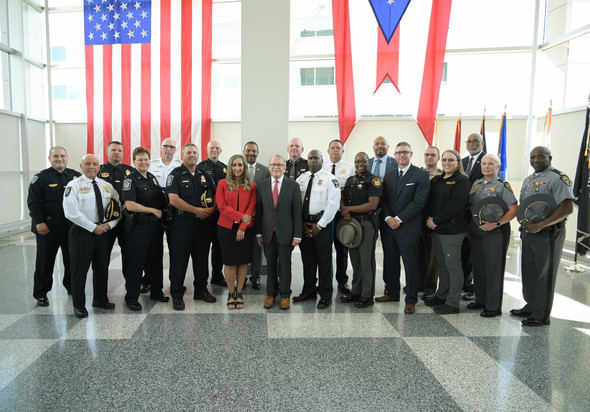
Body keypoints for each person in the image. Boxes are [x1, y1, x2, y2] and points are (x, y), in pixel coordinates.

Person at [511, 146, 574, 326]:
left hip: (548, 233)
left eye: (540, 157)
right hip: (530, 232)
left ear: (550, 158)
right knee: (529, 271)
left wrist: (541, 224)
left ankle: (541, 315)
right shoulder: (529, 179)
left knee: (544, 274)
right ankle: (531, 306)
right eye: (533, 157)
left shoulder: (558, 178)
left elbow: (567, 207)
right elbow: (527, 207)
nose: (536, 160)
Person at [63, 154, 121, 318]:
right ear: (81, 166)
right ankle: (79, 305)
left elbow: (118, 209)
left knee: (102, 267)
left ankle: (100, 299)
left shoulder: (106, 186)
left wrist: (110, 225)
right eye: (87, 163)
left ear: (99, 167)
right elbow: (71, 212)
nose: (91, 167)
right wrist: (92, 227)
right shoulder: (73, 186)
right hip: (82, 232)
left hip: (103, 231)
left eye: (95, 164)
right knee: (79, 270)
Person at [376, 142, 430, 314]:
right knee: (390, 261)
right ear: (395, 154)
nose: (401, 156)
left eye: (405, 152)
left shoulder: (421, 175)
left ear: (411, 154)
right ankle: (391, 292)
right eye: (398, 153)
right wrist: (387, 218)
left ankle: (411, 299)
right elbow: (383, 201)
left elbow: (419, 202)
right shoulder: (390, 175)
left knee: (410, 263)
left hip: (409, 228)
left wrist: (398, 219)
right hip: (389, 228)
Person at [27, 146, 81, 306]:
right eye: (56, 156)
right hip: (48, 228)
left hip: (70, 228)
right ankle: (41, 293)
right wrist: (39, 222)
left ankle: (71, 287)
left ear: (67, 157)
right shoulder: (41, 178)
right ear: (49, 158)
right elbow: (33, 202)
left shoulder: (75, 177)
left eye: (62, 156)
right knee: (45, 261)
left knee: (72, 260)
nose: (59, 159)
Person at [167, 143, 218, 310]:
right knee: (179, 260)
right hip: (182, 224)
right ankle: (176, 294)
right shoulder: (175, 174)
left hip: (203, 225)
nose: (192, 155)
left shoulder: (204, 174)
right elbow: (173, 199)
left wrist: (211, 210)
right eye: (189, 152)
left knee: (202, 259)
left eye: (195, 152)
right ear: (182, 155)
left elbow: (216, 193)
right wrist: (196, 210)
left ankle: (201, 290)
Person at [468, 154, 517, 317]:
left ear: (497, 167)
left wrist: (496, 224)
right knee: (479, 267)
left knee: (493, 268)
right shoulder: (476, 184)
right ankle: (480, 299)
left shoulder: (502, 185)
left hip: (495, 231)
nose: (486, 166)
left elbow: (513, 209)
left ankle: (493, 306)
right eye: (484, 164)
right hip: (477, 230)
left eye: (490, 164)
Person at [121, 147, 169, 311]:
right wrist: (152, 211)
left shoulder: (152, 178)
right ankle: (132, 298)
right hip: (138, 228)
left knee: (155, 261)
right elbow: (129, 204)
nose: (143, 162)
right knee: (136, 263)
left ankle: (156, 291)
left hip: (155, 228)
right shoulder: (130, 180)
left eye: (146, 159)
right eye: (140, 160)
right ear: (134, 162)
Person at [424, 150, 470, 315]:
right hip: (436, 229)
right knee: (442, 265)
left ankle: (453, 302)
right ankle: (442, 294)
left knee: (453, 265)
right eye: (444, 160)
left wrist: (435, 220)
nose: (447, 163)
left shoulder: (462, 181)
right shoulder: (437, 180)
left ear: (458, 162)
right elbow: (430, 201)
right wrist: (430, 219)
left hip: (452, 230)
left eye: (451, 160)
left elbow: (456, 205)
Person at [294, 150, 341, 309]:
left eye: (316, 158)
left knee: (324, 261)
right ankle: (309, 291)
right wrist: (301, 223)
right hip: (305, 225)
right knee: (307, 260)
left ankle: (326, 295)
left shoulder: (330, 179)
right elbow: (296, 204)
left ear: (322, 160)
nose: (313, 161)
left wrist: (320, 225)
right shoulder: (301, 179)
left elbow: (333, 205)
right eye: (310, 158)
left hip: (323, 226)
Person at [257, 154, 302, 310]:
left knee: (285, 265)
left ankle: (285, 295)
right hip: (268, 233)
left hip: (286, 234)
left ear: (285, 168)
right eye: (273, 164)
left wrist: (297, 235)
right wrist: (258, 233)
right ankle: (270, 294)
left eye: (279, 165)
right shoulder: (261, 186)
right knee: (270, 266)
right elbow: (259, 211)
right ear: (269, 167)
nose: (276, 167)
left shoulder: (293, 185)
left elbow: (297, 212)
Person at [340, 152, 383, 308]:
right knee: (355, 260)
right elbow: (342, 195)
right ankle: (356, 290)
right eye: (357, 161)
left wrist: (348, 209)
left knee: (366, 261)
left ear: (368, 162)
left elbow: (372, 205)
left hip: (366, 224)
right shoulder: (351, 180)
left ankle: (367, 295)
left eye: (363, 161)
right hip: (352, 225)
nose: (360, 164)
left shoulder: (374, 181)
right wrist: (343, 206)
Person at [140, 137, 182, 293]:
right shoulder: (151, 165)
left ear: (175, 150)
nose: (168, 149)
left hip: (174, 212)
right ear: (161, 148)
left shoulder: (180, 166)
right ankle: (148, 279)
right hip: (155, 212)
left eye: (171, 146)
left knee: (176, 249)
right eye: (166, 146)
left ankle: (176, 281)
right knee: (152, 249)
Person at [216, 154, 258, 309]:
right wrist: (242, 218)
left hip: (246, 229)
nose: (237, 168)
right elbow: (222, 207)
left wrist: (242, 226)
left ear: (244, 167)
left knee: (242, 260)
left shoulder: (252, 186)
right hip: (226, 228)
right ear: (230, 167)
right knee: (229, 261)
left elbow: (251, 206)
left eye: (240, 165)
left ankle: (239, 293)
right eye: (234, 165)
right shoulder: (222, 184)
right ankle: (231, 292)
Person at [322, 139, 354, 294]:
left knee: (342, 249)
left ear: (342, 151)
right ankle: (324, 281)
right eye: (332, 148)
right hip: (326, 213)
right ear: (328, 151)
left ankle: (342, 282)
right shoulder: (322, 167)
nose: (335, 150)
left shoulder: (350, 168)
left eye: (338, 148)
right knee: (325, 249)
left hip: (342, 214)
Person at [99, 141, 133, 278]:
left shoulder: (130, 171)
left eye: (119, 150)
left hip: (126, 219)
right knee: (102, 255)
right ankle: (101, 291)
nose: (117, 152)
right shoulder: (99, 170)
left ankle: (131, 287)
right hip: (105, 220)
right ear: (107, 152)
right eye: (113, 150)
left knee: (129, 254)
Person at [198, 139, 228, 287]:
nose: (214, 150)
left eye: (217, 148)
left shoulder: (225, 168)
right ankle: (202, 278)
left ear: (220, 151)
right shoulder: (200, 167)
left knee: (219, 246)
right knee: (203, 247)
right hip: (206, 214)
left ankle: (217, 275)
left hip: (221, 214)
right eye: (212, 148)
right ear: (207, 150)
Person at [460, 132, 486, 299]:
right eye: (469, 141)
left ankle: (476, 287)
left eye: (475, 141)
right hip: (463, 213)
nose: (471, 143)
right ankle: (464, 284)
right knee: (464, 250)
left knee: (477, 252)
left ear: (481, 143)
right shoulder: (462, 162)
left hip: (479, 213)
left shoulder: (487, 160)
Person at [243, 141, 271, 290]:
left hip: (258, 216)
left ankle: (255, 277)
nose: (251, 153)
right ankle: (240, 277)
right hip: (241, 216)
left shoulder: (265, 171)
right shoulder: (238, 168)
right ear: (244, 151)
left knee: (257, 248)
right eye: (248, 151)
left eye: (254, 151)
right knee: (240, 247)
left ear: (258, 153)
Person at [418, 146, 442, 300]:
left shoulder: (443, 175)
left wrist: (435, 218)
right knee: (419, 254)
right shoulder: (418, 173)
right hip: (418, 219)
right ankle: (419, 283)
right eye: (427, 154)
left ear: (438, 158)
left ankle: (430, 287)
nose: (429, 157)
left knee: (433, 256)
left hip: (434, 220)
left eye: (433, 155)